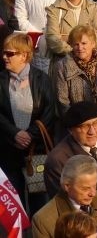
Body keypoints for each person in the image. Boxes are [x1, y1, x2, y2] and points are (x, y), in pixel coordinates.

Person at [0, 33, 55, 206]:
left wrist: (30, 135)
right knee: (14, 204)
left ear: (24, 55)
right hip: (8, 150)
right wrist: (15, 133)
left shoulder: (42, 79)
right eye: (4, 52)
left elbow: (49, 113)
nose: (4, 57)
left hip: (35, 150)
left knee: (40, 202)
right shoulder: (1, 80)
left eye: (10, 54)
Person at [32, 155, 97, 238]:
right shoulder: (44, 220)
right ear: (67, 186)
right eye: (85, 188)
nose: (93, 193)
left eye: (95, 185)